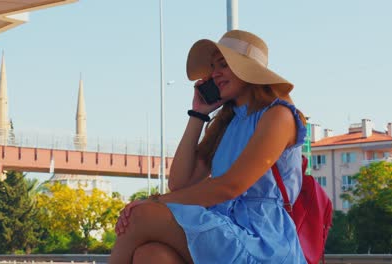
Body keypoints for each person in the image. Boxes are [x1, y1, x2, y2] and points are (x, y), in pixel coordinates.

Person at [108, 30, 308, 264]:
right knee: (151, 255)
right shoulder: (227, 124)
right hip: (225, 229)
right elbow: (179, 183)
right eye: (213, 67)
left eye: (223, 65)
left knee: (140, 215)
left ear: (247, 70)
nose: (214, 74)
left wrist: (153, 202)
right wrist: (198, 114)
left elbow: (229, 187)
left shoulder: (278, 115)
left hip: (263, 241)